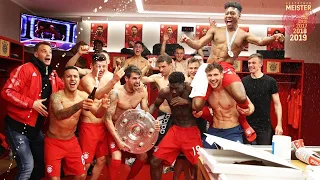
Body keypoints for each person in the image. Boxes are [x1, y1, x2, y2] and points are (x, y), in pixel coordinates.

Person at [182, 1, 284, 142]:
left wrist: (274, 37)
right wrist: (188, 41)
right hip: (209, 67)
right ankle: (213, 125)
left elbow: (260, 41)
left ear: (239, 16)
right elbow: (198, 44)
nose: (228, 15)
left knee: (241, 97)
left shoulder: (242, 35)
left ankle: (244, 122)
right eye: (227, 13)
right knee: (196, 106)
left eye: (232, 13)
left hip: (226, 67)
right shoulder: (215, 30)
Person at [1, 41, 64, 180]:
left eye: (50, 52)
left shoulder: (53, 75)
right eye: (44, 51)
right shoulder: (24, 69)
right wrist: (31, 103)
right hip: (17, 127)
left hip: (35, 129)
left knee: (45, 160)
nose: (48, 54)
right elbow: (6, 91)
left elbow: (66, 90)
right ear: (36, 54)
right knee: (27, 166)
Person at [45, 66, 109, 179]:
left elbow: (98, 114)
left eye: (75, 76)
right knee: (53, 179)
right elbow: (59, 115)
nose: (72, 79)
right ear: (63, 80)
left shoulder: (83, 96)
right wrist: (78, 105)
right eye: (68, 76)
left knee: (81, 175)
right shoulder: (56, 96)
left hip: (71, 141)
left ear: (79, 80)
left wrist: (103, 107)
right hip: (53, 142)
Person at [105, 65, 160, 180]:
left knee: (143, 157)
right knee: (116, 158)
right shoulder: (116, 93)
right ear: (126, 79)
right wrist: (118, 140)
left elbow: (145, 112)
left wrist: (154, 123)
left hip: (130, 129)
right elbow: (107, 118)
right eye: (134, 78)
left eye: (139, 78)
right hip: (114, 128)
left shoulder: (142, 91)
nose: (138, 81)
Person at [77, 53, 123, 180]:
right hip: (88, 125)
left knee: (101, 160)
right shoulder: (86, 79)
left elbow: (119, 92)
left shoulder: (109, 76)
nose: (101, 69)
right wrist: (114, 80)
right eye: (98, 66)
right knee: (85, 163)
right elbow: (96, 95)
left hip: (102, 125)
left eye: (104, 66)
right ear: (91, 66)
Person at [149, 72, 202, 180]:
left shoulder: (191, 90)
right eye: (171, 87)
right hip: (175, 131)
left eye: (176, 88)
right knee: (154, 161)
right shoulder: (166, 92)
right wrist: (147, 119)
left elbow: (202, 106)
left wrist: (187, 102)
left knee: (199, 165)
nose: (173, 91)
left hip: (191, 131)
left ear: (183, 84)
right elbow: (155, 105)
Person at [194, 62, 254, 148]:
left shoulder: (232, 90)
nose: (213, 78)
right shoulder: (206, 92)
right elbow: (199, 107)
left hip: (232, 131)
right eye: (210, 75)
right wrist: (201, 113)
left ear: (222, 75)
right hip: (214, 131)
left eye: (215, 75)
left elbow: (251, 106)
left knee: (234, 158)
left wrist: (249, 111)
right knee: (204, 157)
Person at [242, 53, 283, 145]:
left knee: (264, 153)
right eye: (249, 63)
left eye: (253, 63)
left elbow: (277, 104)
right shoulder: (243, 81)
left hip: (264, 126)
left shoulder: (270, 81)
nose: (250, 65)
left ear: (261, 64)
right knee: (247, 154)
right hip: (247, 125)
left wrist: (279, 124)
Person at [141, 55, 174, 145]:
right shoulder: (157, 78)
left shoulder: (178, 78)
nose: (161, 70)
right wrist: (147, 66)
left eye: (164, 67)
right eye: (159, 67)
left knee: (173, 142)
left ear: (170, 65)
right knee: (160, 141)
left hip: (177, 116)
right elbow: (139, 79)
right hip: (163, 114)